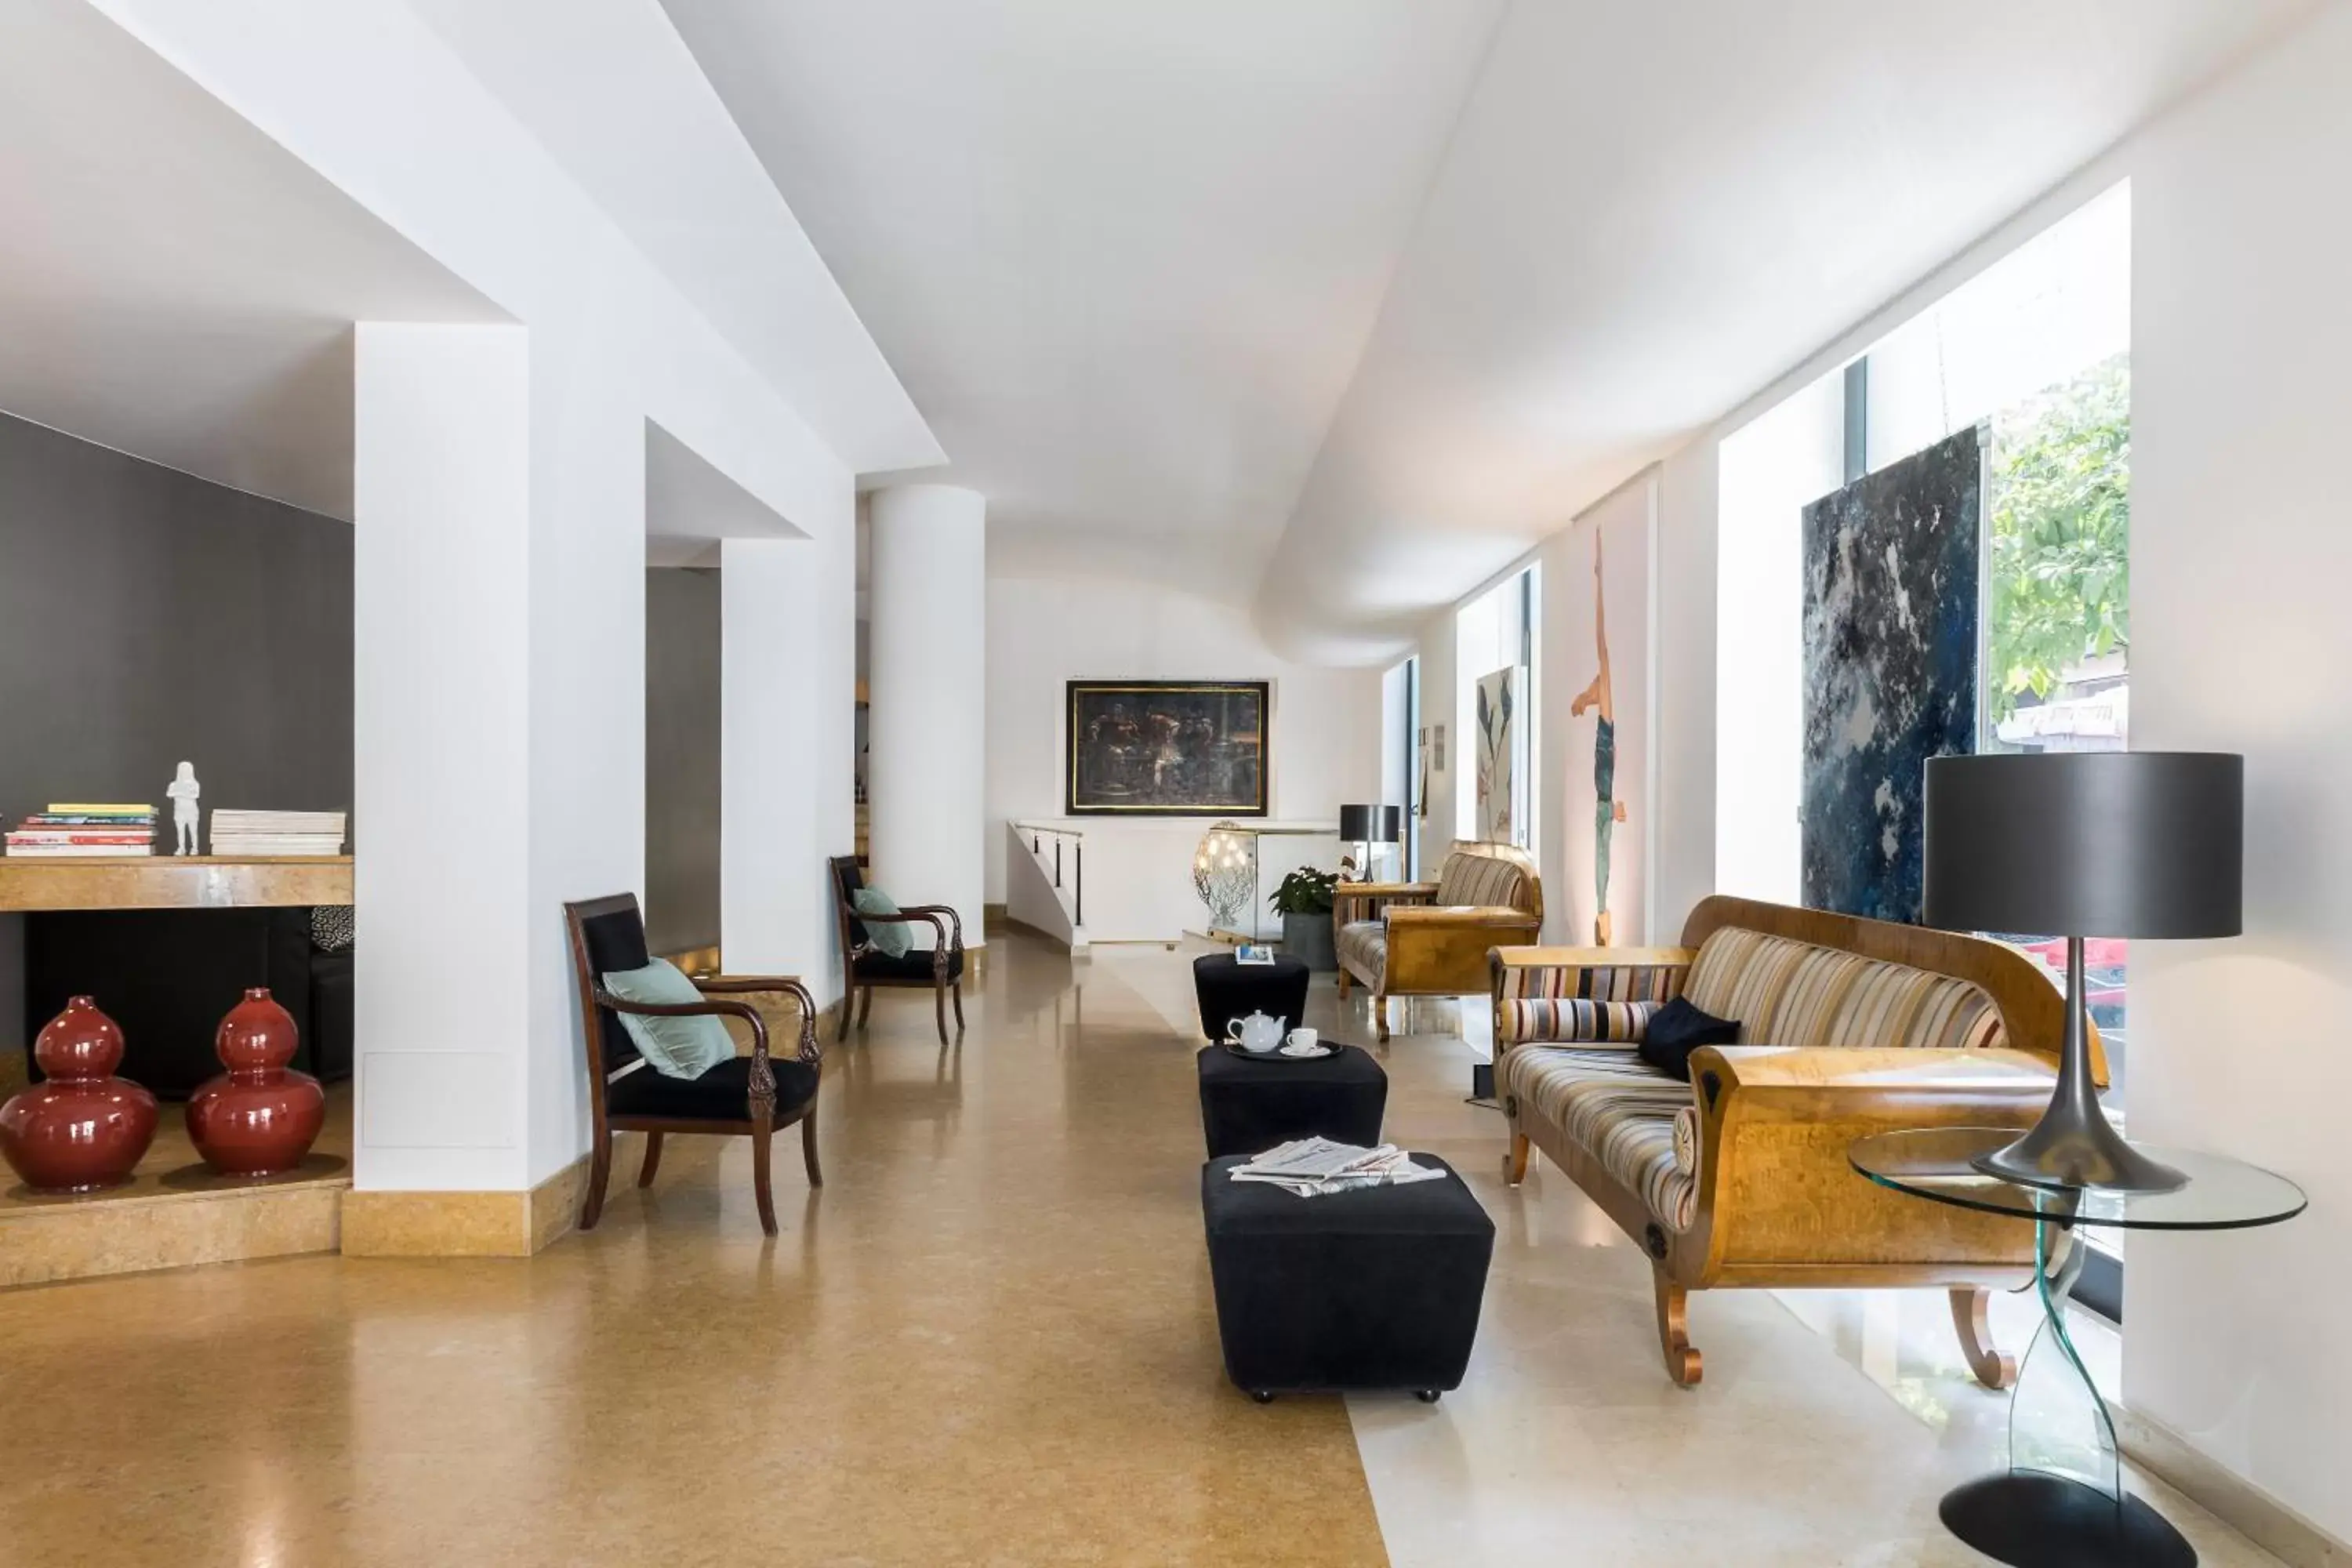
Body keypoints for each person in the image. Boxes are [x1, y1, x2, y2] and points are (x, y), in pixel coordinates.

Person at [1567, 537, 1628, 945]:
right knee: (1600, 863)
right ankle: (1602, 914)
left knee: (1600, 863)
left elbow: (1601, 641)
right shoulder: (1601, 716)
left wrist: (1600, 578)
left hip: (1604, 800)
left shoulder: (1606, 723)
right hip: (1603, 801)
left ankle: (1603, 915)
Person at [166, 760, 201, 856]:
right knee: (180, 831)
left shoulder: (194, 784)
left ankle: (195, 848)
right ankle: (181, 848)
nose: (184, 772)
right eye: (182, 769)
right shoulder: (174, 784)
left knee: (193, 831)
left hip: (191, 811)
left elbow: (195, 795)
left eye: (186, 770)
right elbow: (169, 794)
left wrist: (180, 793)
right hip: (179, 811)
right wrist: (183, 793)